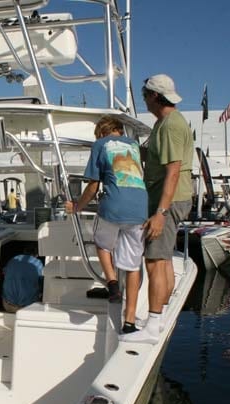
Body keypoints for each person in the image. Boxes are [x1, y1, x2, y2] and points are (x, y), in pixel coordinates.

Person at [123, 74, 193, 344]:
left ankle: (152, 327)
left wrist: (160, 213)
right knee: (162, 260)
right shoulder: (166, 124)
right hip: (170, 199)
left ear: (154, 96)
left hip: (169, 201)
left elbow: (173, 170)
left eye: (144, 95)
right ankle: (159, 318)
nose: (144, 99)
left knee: (154, 261)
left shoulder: (169, 126)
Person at [65, 115, 147, 333]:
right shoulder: (134, 146)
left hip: (113, 208)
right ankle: (129, 322)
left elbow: (93, 186)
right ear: (120, 131)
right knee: (132, 266)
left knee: (102, 243)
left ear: (102, 132)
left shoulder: (100, 145)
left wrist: (77, 206)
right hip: (140, 210)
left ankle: (111, 284)